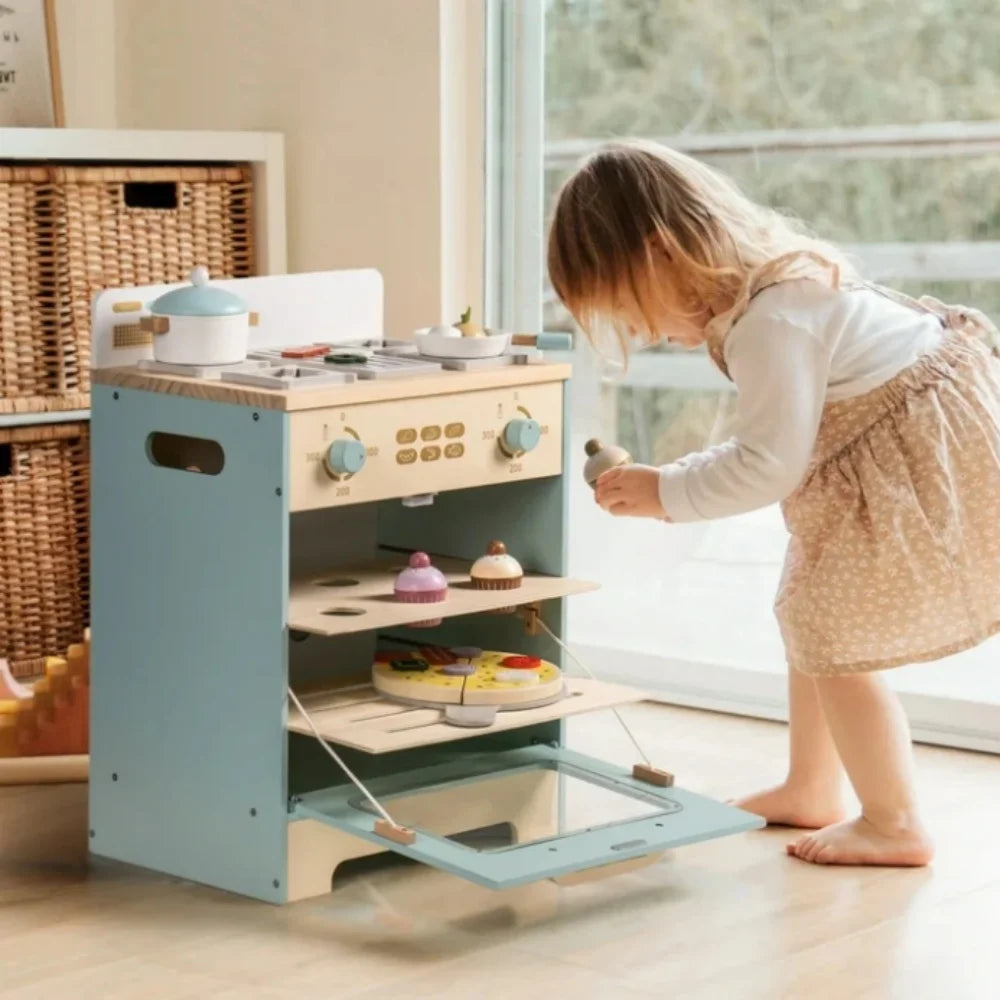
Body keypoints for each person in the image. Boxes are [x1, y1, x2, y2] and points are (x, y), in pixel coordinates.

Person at [547, 139, 1000, 866]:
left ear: (664, 252)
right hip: (903, 441)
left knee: (833, 630)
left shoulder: (773, 320)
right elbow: (775, 445)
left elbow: (766, 465)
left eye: (629, 310)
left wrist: (667, 491)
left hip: (920, 456)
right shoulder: (767, 298)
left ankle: (895, 822)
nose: (640, 333)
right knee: (813, 611)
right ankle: (813, 786)